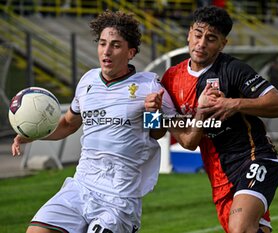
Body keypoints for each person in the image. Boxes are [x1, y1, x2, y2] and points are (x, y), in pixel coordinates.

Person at [11, 10, 178, 233]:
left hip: (119, 197)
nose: (106, 51)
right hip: (80, 187)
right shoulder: (87, 80)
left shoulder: (150, 86)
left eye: (116, 45)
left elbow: (158, 134)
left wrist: (154, 112)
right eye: (102, 43)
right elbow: (68, 124)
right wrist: (33, 134)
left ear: (131, 52)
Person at [145, 6, 278, 233]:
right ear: (189, 33)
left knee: (240, 227)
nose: (202, 43)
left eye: (211, 38)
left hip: (254, 157)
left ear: (222, 44)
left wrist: (233, 103)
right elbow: (180, 139)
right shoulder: (171, 78)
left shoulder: (233, 70)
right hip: (219, 172)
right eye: (198, 34)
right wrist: (152, 113)